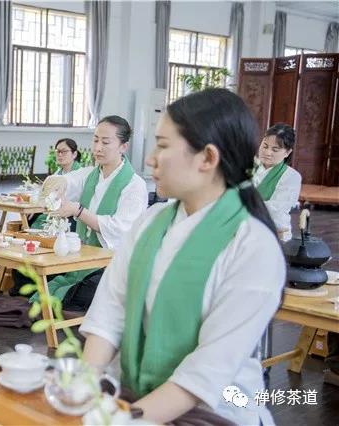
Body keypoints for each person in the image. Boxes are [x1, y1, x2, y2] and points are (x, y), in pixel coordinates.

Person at [81, 89, 285, 425]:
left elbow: (204, 372)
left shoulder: (253, 247)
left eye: (162, 145)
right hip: (134, 395)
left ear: (207, 158)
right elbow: (109, 315)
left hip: (212, 410)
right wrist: (82, 390)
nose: (150, 159)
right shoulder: (150, 223)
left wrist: (121, 419)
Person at [12, 116, 148, 312]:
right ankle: (55, 299)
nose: (98, 147)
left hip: (112, 264)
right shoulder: (90, 174)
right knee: (23, 270)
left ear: (123, 147)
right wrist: (58, 185)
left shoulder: (135, 185)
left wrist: (79, 211)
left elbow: (118, 229)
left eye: (106, 142)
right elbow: (68, 181)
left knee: (88, 289)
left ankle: (56, 299)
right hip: (82, 256)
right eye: (95, 140)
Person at [253, 123, 302, 241]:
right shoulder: (248, 165)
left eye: (275, 149)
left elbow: (276, 209)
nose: (267, 152)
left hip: (274, 233)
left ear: (287, 152)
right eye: (265, 146)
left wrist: (242, 201)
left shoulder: (291, 177)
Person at [30, 138, 83, 230]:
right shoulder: (57, 173)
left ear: (74, 154)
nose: (60, 155)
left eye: (64, 151)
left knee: (39, 222)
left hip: (73, 217)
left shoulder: (80, 174)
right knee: (31, 218)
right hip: (54, 212)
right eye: (58, 151)